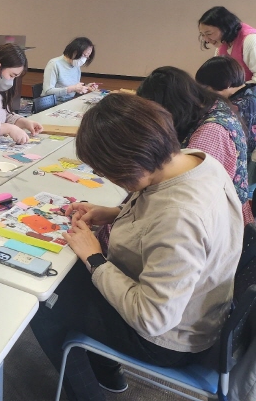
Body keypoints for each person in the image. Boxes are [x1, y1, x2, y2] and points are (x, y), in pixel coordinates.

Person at [30, 93, 242, 401]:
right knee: (63, 275)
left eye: (105, 171)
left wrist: (95, 259)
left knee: (42, 300)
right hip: (195, 310)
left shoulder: (180, 216)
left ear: (129, 163)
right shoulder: (193, 161)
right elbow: (157, 208)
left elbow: (152, 318)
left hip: (167, 340)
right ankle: (105, 371)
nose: (107, 178)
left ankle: (89, 391)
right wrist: (113, 213)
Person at [137, 66, 253, 223]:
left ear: (171, 108)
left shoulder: (210, 133)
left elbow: (187, 201)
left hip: (217, 222)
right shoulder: (212, 108)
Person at [196, 56, 256, 159]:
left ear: (226, 83)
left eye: (206, 88)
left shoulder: (239, 106)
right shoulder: (251, 91)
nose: (205, 93)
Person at [198, 6, 256, 82]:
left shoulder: (250, 40)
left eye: (209, 34)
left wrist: (237, 88)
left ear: (225, 28)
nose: (206, 39)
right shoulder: (221, 46)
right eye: (202, 34)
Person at [41, 37, 99, 104]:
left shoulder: (76, 66)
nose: (84, 59)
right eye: (84, 55)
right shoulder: (54, 64)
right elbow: (48, 91)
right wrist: (72, 89)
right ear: (74, 51)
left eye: (87, 57)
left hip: (67, 102)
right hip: (51, 104)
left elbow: (74, 89)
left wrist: (85, 87)